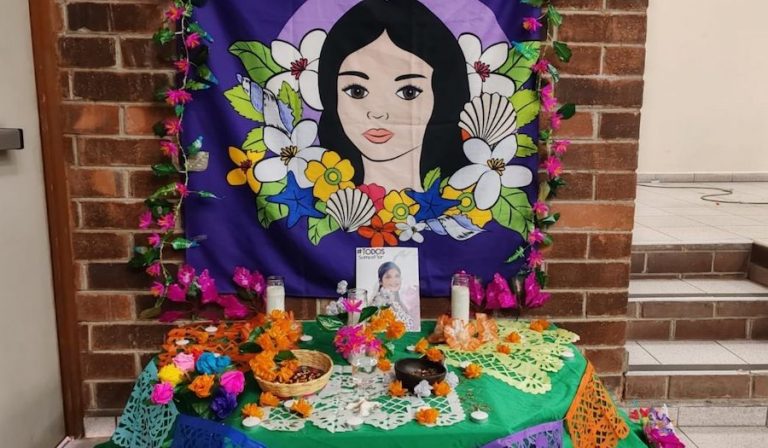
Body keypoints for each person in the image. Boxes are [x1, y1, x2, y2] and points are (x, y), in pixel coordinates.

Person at [318, 0, 470, 192]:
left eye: (408, 92)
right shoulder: (315, 198)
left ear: (443, 96)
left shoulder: (465, 196)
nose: (378, 113)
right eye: (357, 91)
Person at [373, 261, 420, 331]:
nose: (394, 280)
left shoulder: (398, 302)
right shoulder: (379, 305)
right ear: (380, 281)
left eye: (397, 276)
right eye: (388, 277)